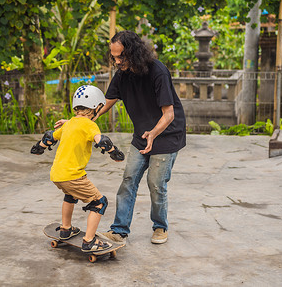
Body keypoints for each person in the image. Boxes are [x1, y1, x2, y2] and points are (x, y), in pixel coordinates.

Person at [95, 30, 186, 244]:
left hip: (166, 135)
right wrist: (82, 119)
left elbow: (169, 114)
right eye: (114, 57)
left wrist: (154, 133)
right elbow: (108, 102)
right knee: (129, 179)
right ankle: (119, 230)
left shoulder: (158, 71)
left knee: (155, 182)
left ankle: (160, 227)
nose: (117, 61)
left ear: (134, 53)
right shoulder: (122, 74)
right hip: (141, 135)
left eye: (121, 57)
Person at [31, 85, 125, 252]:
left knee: (70, 194)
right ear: (97, 107)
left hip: (56, 174)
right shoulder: (89, 126)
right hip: (73, 176)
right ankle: (89, 241)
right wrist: (114, 153)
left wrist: (39, 147)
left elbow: (48, 138)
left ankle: (66, 229)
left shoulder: (68, 124)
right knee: (99, 202)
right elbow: (102, 141)